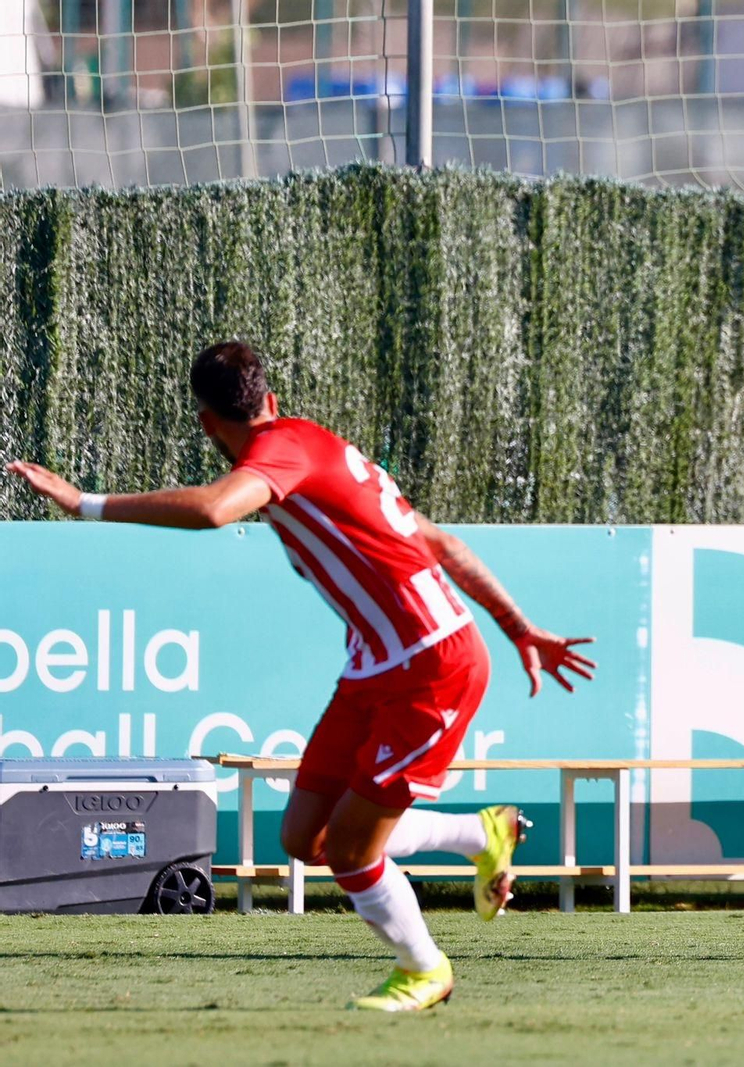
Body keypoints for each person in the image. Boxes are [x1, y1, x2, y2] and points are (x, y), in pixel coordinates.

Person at [6, 341, 596, 1009]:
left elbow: (214, 508)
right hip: (373, 667)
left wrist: (84, 502)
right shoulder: (317, 451)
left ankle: (425, 969)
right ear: (271, 398)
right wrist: (519, 627)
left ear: (207, 424)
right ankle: (481, 833)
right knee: (304, 837)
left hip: (433, 664)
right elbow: (446, 544)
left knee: (350, 849)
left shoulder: (282, 450)